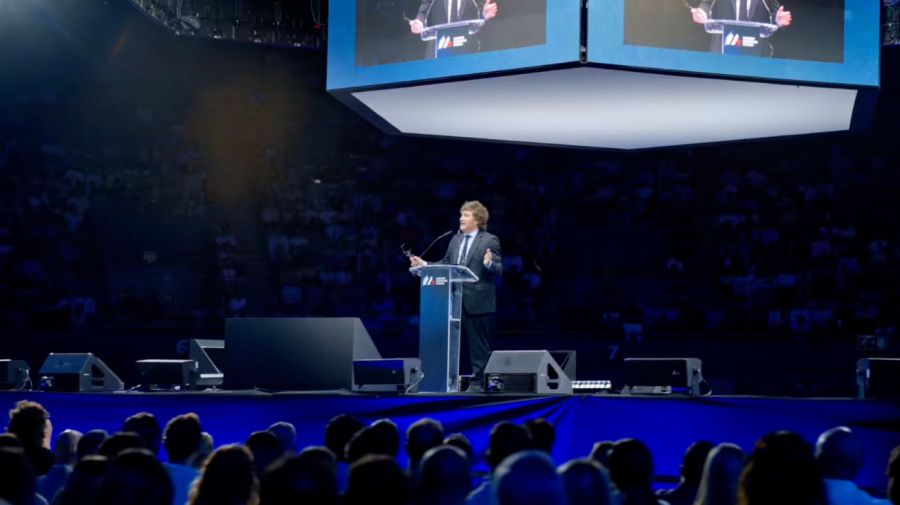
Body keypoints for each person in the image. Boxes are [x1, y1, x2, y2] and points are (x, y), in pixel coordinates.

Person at [410, 200, 503, 392]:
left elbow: (498, 269)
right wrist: (425, 265)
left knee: (478, 347)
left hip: (477, 302)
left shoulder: (489, 240)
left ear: (477, 219)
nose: (461, 218)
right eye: (461, 215)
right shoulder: (455, 240)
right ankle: (444, 381)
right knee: (449, 344)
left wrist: (488, 264)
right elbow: (446, 264)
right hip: (452, 302)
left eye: (466, 215)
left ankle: (478, 384)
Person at [690, 0, 792, 56]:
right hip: (721, 53)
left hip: (756, 55)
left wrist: (778, 20)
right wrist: (702, 12)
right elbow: (707, 4)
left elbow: (774, 14)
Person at [409, 0, 499, 35]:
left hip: (467, 47)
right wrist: (419, 22)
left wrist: (483, 14)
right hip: (438, 48)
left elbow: (480, 10)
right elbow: (425, 9)